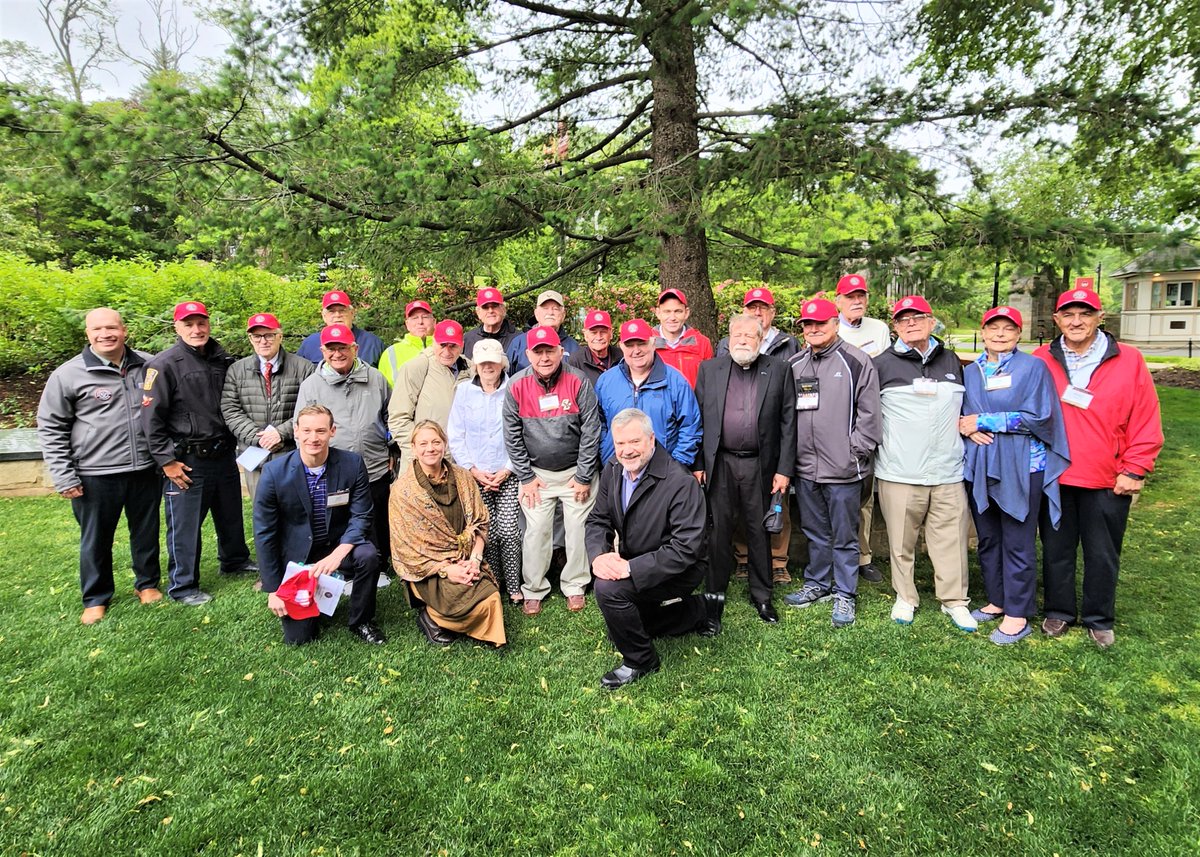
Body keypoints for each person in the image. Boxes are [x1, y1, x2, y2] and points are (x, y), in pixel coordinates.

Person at [1034, 286, 1163, 648]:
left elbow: (1146, 416)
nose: (1077, 322)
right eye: (1069, 315)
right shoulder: (1042, 357)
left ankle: (1098, 617)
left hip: (1108, 475)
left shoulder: (1129, 359)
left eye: (1085, 314)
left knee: (1102, 551)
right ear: (1057, 319)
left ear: (1098, 318)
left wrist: (1135, 467)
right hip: (1055, 475)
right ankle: (1058, 612)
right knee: (1057, 548)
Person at [37, 307, 162, 624]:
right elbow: (51, 428)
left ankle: (146, 584)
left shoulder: (148, 366)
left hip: (144, 469)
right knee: (96, 538)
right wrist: (64, 476)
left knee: (145, 532)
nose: (105, 334)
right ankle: (95, 597)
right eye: (97, 329)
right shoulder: (68, 374)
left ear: (125, 330)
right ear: (88, 335)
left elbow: (164, 411)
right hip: (94, 473)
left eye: (112, 327)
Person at [586, 408, 724, 689]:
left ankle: (641, 660)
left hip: (681, 569)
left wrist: (630, 568)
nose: (626, 451)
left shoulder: (680, 483)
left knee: (608, 591)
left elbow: (685, 549)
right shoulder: (613, 469)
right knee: (626, 625)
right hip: (637, 559)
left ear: (651, 439)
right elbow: (597, 519)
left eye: (634, 442)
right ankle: (703, 608)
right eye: (620, 443)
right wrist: (599, 555)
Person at [960, 306, 1070, 645]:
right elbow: (964, 413)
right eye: (993, 327)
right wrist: (967, 427)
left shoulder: (1033, 368)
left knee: (1018, 539)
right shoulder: (973, 371)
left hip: (1024, 466)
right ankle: (997, 599)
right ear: (983, 331)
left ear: (1018, 334)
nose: (1000, 334)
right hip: (981, 465)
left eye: (1009, 328)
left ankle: (1018, 613)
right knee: (988, 535)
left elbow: (1040, 417)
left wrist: (984, 422)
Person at [872, 295, 977, 634]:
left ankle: (954, 601)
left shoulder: (952, 362)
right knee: (901, 542)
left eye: (918, 317)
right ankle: (905, 596)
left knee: (950, 539)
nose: (911, 323)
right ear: (895, 327)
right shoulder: (881, 365)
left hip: (947, 470)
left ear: (932, 322)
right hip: (899, 471)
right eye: (903, 320)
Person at [142, 301, 255, 606]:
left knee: (230, 514)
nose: (196, 330)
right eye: (188, 324)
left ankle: (234, 560)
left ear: (209, 323)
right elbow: (150, 420)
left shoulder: (221, 359)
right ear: (177, 328)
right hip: (187, 459)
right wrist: (166, 462)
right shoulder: (163, 365)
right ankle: (183, 585)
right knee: (185, 525)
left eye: (201, 323)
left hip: (223, 452)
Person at [783, 298, 881, 628]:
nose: (813, 329)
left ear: (835, 325)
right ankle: (818, 583)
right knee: (814, 530)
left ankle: (845, 592)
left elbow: (869, 414)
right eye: (807, 325)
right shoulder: (795, 364)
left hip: (843, 468)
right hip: (806, 467)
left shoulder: (856, 361)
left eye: (820, 324)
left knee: (844, 534)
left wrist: (854, 452)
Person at [694, 314, 796, 624]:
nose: (742, 340)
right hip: (720, 462)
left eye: (750, 335)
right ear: (728, 338)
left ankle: (762, 596)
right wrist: (699, 464)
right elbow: (698, 418)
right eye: (737, 334)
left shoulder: (778, 370)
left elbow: (789, 422)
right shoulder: (709, 369)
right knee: (718, 530)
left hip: (760, 464)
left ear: (761, 338)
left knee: (758, 529)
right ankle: (715, 595)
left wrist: (784, 469)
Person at [254, 405, 386, 645]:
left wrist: (338, 553)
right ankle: (310, 605)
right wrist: (273, 589)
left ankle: (362, 620)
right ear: (295, 431)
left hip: (338, 545)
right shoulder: (273, 473)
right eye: (306, 430)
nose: (313, 438)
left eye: (320, 431)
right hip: (297, 556)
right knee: (300, 639)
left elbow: (362, 516)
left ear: (332, 431)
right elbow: (264, 533)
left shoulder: (352, 464)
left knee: (368, 555)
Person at [502, 325, 602, 615]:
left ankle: (575, 585)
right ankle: (534, 587)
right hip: (537, 475)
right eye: (538, 351)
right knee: (536, 532)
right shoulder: (516, 386)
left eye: (550, 350)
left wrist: (584, 476)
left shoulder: (579, 381)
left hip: (575, 473)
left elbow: (591, 431)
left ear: (561, 351)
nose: (544, 357)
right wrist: (526, 477)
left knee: (577, 530)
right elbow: (512, 435)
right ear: (528, 353)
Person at [390, 420, 507, 647]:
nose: (430, 448)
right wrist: (447, 570)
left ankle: (439, 618)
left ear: (445, 445)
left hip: (466, 558)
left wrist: (474, 560)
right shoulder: (403, 491)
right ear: (413, 448)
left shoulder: (462, 477)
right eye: (423, 443)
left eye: (436, 442)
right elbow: (406, 549)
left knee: (490, 597)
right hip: (428, 568)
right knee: (457, 597)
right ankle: (432, 617)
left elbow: (481, 523)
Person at [715, 286, 800, 584]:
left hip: (767, 456)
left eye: (763, 308)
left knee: (774, 510)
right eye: (752, 307)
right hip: (727, 459)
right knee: (737, 512)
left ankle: (776, 562)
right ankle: (743, 558)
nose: (758, 312)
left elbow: (789, 420)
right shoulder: (716, 365)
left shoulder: (785, 355)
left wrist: (784, 468)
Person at [294, 325, 393, 561]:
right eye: (331, 348)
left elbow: (391, 416)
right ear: (322, 350)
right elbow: (302, 428)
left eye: (343, 348)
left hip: (373, 464)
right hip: (333, 469)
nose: (337, 354)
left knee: (376, 516)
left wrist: (392, 450)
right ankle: (343, 562)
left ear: (355, 348)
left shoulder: (375, 378)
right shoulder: (311, 385)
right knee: (338, 518)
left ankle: (379, 560)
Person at [447, 339, 522, 603]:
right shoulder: (465, 391)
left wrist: (508, 469)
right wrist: (473, 470)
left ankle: (514, 585)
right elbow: (455, 435)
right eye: (483, 363)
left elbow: (524, 431)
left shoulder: (515, 388)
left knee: (510, 530)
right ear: (476, 365)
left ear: (502, 363)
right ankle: (493, 581)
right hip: (475, 476)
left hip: (508, 473)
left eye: (493, 362)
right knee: (484, 531)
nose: (488, 367)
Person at [834, 274, 891, 583]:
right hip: (833, 422)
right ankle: (834, 553)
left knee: (864, 495)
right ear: (838, 301)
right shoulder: (829, 327)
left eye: (861, 295)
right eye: (850, 296)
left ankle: (863, 556)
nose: (857, 301)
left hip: (865, 418)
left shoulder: (879, 329)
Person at [221, 312, 314, 500]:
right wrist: (259, 438)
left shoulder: (304, 368)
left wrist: (280, 433)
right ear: (250, 339)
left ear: (280, 336)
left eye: (269, 335)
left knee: (295, 510)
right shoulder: (237, 370)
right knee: (263, 514)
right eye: (257, 336)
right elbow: (230, 409)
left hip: (291, 452)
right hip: (255, 455)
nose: (263, 341)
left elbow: (311, 408)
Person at [594, 318, 701, 467]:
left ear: (653, 343)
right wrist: (607, 456)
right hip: (619, 470)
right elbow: (599, 424)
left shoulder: (675, 381)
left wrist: (676, 467)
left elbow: (690, 427)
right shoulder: (606, 382)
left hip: (662, 474)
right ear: (621, 347)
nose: (636, 350)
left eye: (642, 343)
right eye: (630, 345)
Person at [387, 319, 474, 465]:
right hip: (422, 464)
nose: (447, 351)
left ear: (462, 346)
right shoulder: (417, 367)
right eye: (442, 345)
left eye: (453, 346)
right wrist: (421, 453)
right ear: (433, 342)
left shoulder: (471, 369)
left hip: (461, 464)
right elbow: (398, 418)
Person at [296, 290, 386, 367]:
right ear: (324, 316)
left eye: (342, 310)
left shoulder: (372, 343)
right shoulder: (309, 344)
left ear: (352, 313)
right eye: (332, 311)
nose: (337, 315)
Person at [506, 290, 580, 372]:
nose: (550, 312)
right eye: (545, 308)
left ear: (563, 314)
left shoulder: (574, 347)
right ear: (536, 313)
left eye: (555, 309)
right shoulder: (518, 344)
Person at [652, 288, 713, 387]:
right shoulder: (647, 343)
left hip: (692, 402)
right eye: (667, 311)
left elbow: (710, 383)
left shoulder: (702, 343)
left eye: (678, 311)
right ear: (658, 313)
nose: (672, 317)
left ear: (686, 313)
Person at [378, 300, 437, 386]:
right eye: (415, 318)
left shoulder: (446, 348)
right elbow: (382, 390)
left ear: (434, 322)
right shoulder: (390, 353)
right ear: (407, 324)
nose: (420, 321)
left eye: (425, 317)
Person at [463, 287, 522, 357]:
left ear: (503, 309)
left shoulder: (519, 339)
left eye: (494, 306)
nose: (490, 311)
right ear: (478, 312)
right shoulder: (467, 339)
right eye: (485, 307)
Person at [568, 309, 622, 385]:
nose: (599, 337)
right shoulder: (576, 361)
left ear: (611, 334)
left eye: (603, 332)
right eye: (594, 333)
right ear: (585, 335)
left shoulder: (622, 357)